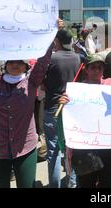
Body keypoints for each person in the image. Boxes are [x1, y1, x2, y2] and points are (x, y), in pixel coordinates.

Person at [0, 43, 54, 188]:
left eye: (20, 62)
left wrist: (51, 35)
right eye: (11, 61)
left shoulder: (31, 82)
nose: (15, 64)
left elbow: (43, 62)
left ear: (26, 66)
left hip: (26, 147)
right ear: (5, 64)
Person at [58, 51, 111, 188]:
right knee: (87, 184)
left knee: (108, 183)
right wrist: (64, 103)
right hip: (86, 148)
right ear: (86, 69)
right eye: (93, 67)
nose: (97, 70)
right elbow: (67, 117)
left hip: (108, 147)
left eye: (100, 67)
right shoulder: (76, 91)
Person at [43, 29, 80, 188]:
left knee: (53, 151)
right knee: (70, 149)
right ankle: (72, 183)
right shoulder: (78, 58)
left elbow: (41, 82)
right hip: (72, 109)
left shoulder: (50, 59)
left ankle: (55, 185)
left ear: (56, 41)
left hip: (53, 107)